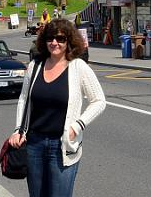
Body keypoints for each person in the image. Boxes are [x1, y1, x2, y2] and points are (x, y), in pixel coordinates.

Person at [8, 19, 106, 197]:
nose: (55, 43)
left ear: (69, 41)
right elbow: (24, 99)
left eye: (60, 39)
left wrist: (77, 126)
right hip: (34, 144)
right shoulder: (35, 66)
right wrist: (18, 130)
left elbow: (99, 100)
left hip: (62, 145)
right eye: (50, 38)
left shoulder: (78, 67)